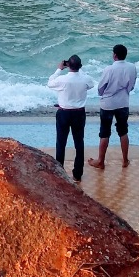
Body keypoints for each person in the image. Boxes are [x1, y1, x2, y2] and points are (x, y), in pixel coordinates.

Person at [48, 54, 95, 183]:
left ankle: (59, 172)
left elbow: (50, 83)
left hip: (64, 113)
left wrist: (58, 69)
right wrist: (80, 69)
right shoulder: (86, 79)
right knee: (79, 143)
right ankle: (77, 174)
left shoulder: (63, 79)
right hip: (79, 113)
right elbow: (91, 84)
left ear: (68, 65)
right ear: (80, 66)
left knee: (61, 143)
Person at [89, 44, 137, 170]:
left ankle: (101, 161)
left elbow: (100, 88)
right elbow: (131, 86)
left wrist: (105, 93)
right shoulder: (132, 67)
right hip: (123, 102)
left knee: (104, 132)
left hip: (108, 104)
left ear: (114, 55)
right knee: (123, 131)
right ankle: (125, 160)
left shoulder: (109, 69)